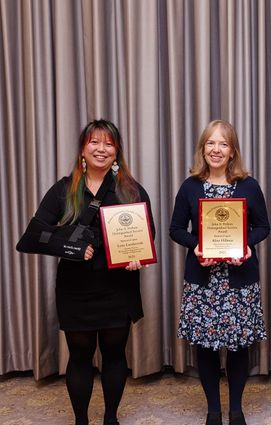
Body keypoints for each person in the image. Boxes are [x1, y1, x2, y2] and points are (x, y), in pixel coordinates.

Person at [15, 119, 155, 425]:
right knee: (79, 357)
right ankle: (81, 420)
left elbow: (148, 236)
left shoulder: (130, 190)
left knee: (115, 354)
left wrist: (138, 257)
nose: (101, 149)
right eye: (94, 142)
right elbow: (34, 235)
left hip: (118, 287)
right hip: (75, 288)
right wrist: (72, 247)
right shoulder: (63, 190)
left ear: (117, 151)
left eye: (108, 143)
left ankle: (110, 418)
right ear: (83, 148)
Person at [169, 120, 269, 425]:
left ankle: (236, 408)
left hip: (239, 280)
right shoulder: (190, 186)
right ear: (203, 148)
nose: (216, 149)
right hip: (203, 282)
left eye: (223, 144)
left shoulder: (249, 186)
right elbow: (175, 229)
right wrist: (197, 246)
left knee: (239, 346)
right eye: (210, 143)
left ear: (233, 150)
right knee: (206, 347)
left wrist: (247, 245)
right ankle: (213, 409)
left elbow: (262, 226)